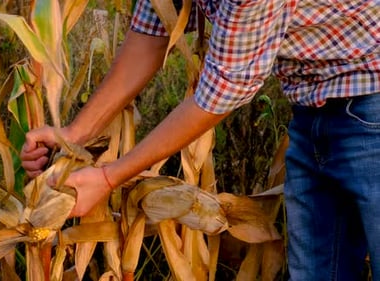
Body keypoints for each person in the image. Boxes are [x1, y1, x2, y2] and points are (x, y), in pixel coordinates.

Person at [21, 0, 379, 279]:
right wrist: (74, 135)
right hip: (311, 112)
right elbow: (154, 29)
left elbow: (221, 93)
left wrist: (108, 177)